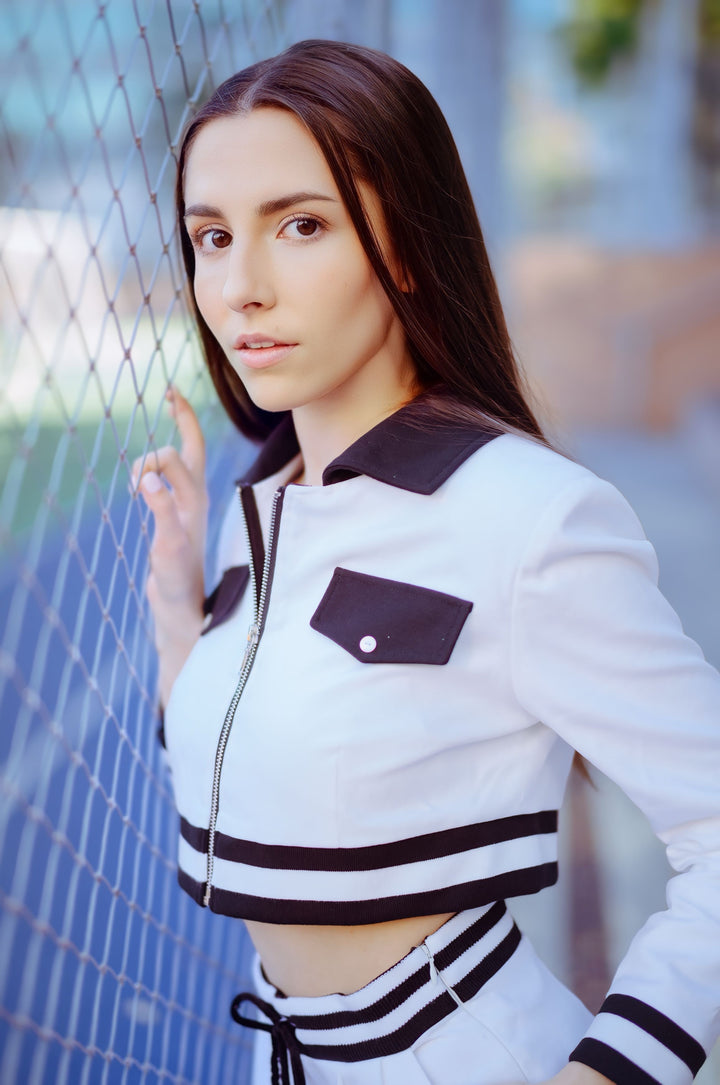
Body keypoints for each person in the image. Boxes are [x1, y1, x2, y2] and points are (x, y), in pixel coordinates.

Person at [132, 39, 720, 1085]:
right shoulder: (256, 510)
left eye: (300, 225)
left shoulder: (530, 516)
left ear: (405, 244)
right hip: (273, 1053)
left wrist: (612, 1070)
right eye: (212, 236)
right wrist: (183, 610)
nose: (240, 287)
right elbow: (248, 793)